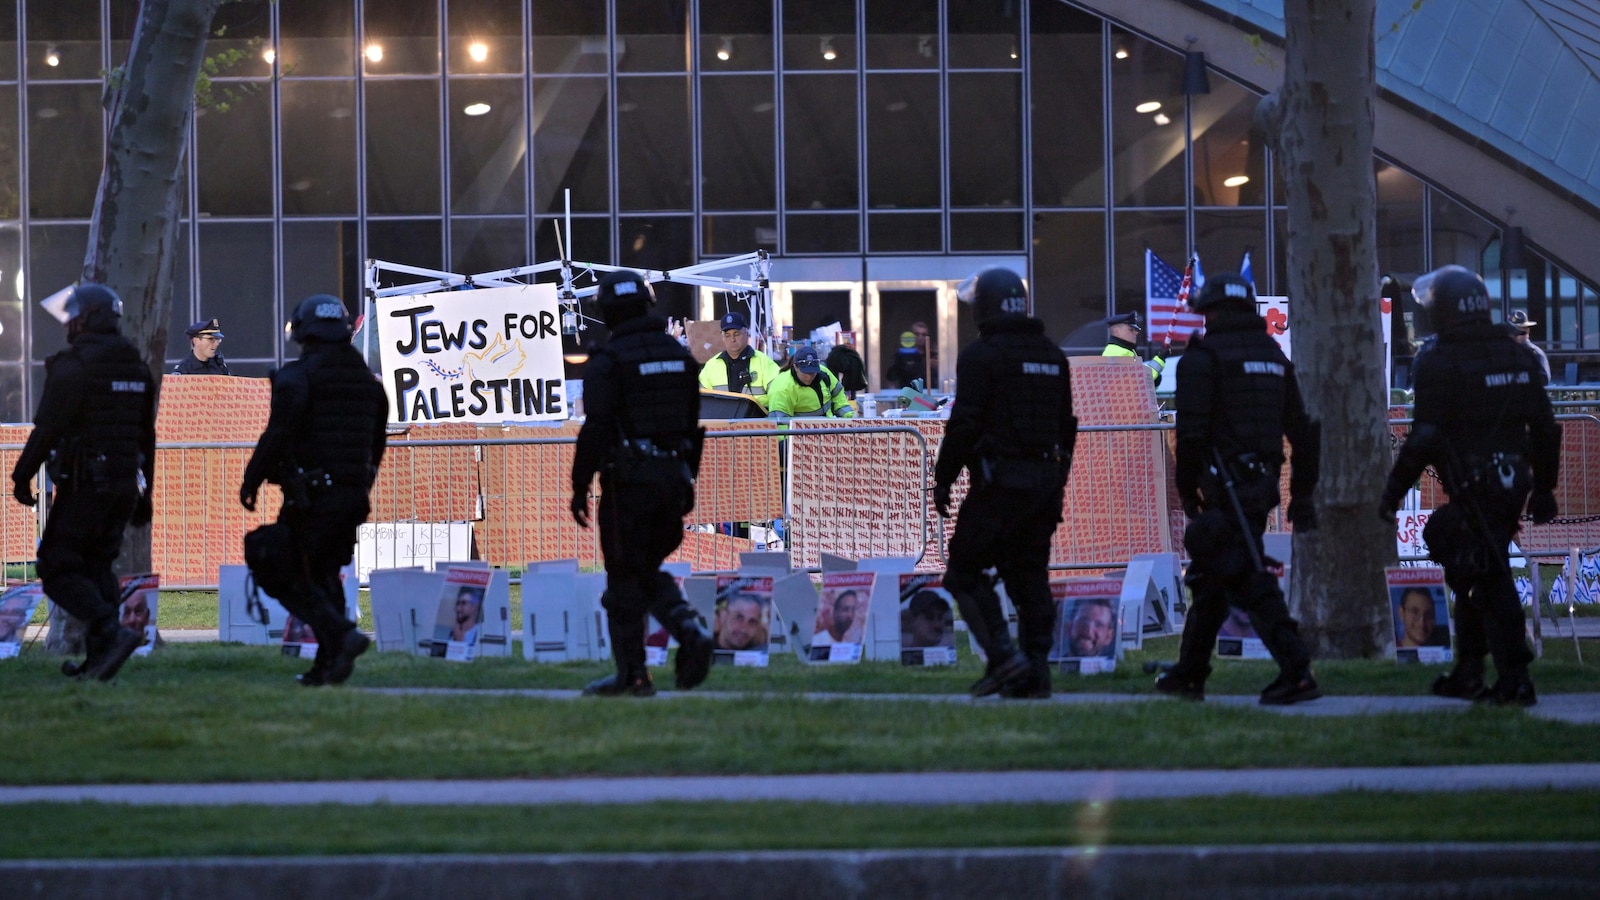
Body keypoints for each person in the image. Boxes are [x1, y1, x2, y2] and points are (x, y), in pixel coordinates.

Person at [1380, 265, 1560, 707]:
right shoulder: (1517, 355)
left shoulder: (1439, 360)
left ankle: (1513, 675)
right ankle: (1469, 670)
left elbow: (1423, 437)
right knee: (1479, 565)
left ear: (1444, 311)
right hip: (1513, 481)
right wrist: (1544, 489)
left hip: (1475, 483)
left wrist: (1391, 493)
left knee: (1477, 566)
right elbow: (1545, 428)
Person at [1156, 272, 1321, 706]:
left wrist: (1186, 491)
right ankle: (1190, 672)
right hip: (1260, 484)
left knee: (1248, 577)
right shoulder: (1274, 359)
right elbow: (1305, 434)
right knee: (1211, 576)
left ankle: (1297, 669)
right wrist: (1301, 495)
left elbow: (1190, 436)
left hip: (1224, 486)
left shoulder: (1202, 360)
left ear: (1209, 312)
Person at [933, 267, 1077, 699]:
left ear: (985, 308)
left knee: (963, 572)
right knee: (1029, 576)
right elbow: (1066, 428)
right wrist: (1058, 484)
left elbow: (964, 425)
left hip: (998, 485)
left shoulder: (982, 355)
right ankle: (1036, 672)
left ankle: (1004, 658)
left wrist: (943, 480)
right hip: (1044, 483)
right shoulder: (1053, 356)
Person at [571, 270, 715, 696]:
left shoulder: (609, 362)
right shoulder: (680, 357)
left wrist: (579, 487)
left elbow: (595, 430)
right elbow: (692, 428)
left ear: (608, 312)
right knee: (644, 571)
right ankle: (686, 631)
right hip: (674, 481)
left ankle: (634, 672)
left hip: (629, 485)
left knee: (623, 579)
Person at [241, 294, 387, 687]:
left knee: (272, 558)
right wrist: (358, 487)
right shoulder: (370, 385)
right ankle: (329, 666)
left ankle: (340, 635)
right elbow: (376, 447)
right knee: (324, 574)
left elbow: (278, 433)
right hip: (352, 497)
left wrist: (251, 480)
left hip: (312, 496)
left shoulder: (298, 377)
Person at [12, 284, 155, 682]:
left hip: (86, 486)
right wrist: (148, 497)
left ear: (87, 318)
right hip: (125, 487)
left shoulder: (73, 365)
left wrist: (22, 475)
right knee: (95, 569)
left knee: (55, 567)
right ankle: (98, 664)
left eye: (72, 316)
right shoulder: (137, 367)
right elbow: (148, 436)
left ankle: (111, 628)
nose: (68, 324)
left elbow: (47, 429)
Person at [698, 310, 780, 411]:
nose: (732, 339)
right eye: (727, 335)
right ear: (722, 337)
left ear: (747, 333)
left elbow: (780, 395)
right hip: (721, 423)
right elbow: (701, 400)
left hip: (756, 423)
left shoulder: (764, 363)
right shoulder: (711, 366)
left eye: (737, 334)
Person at [767, 346, 854, 419]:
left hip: (827, 430)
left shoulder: (824, 373)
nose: (809, 376)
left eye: (812, 372)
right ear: (795, 367)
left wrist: (850, 418)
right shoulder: (782, 388)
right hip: (799, 435)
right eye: (805, 372)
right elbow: (780, 424)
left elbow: (838, 396)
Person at [1101, 311, 1164, 385]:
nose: (1136, 332)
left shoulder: (1122, 350)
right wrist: (1160, 359)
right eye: (1131, 329)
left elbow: (1139, 388)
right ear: (1116, 331)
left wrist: (1154, 383)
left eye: (1135, 329)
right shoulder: (1116, 353)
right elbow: (1139, 380)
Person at [886, 322, 936, 389]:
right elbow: (890, 380)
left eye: (923, 335)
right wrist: (894, 396)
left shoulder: (932, 355)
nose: (920, 337)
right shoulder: (902, 355)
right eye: (917, 334)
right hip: (909, 396)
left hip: (930, 395)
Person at [1506, 310, 1551, 384]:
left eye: (1518, 330)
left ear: (1527, 331)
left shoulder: (1536, 354)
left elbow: (1544, 379)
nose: (1514, 335)